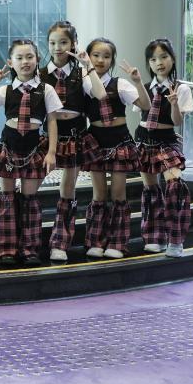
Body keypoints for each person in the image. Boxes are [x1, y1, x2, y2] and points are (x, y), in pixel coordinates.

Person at [0, 38, 62, 266]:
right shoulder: (5, 90)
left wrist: (51, 152)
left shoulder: (46, 89)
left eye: (29, 57)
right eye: (19, 58)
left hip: (34, 147)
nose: (25, 61)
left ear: (37, 59)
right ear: (11, 62)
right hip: (8, 146)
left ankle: (29, 249)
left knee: (30, 199)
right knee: (7, 197)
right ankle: (6, 249)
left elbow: (52, 121)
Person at [79, 38, 150, 259]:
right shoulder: (83, 83)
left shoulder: (120, 84)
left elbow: (146, 106)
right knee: (99, 194)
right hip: (95, 141)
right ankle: (95, 241)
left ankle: (118, 243)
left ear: (112, 60)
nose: (101, 60)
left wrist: (138, 81)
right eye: (96, 55)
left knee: (118, 194)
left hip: (119, 140)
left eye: (106, 56)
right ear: (88, 56)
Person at [41, 22, 104, 261]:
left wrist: (88, 65)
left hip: (76, 134)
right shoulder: (40, 73)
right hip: (46, 136)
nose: (57, 47)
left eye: (63, 42)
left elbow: (100, 94)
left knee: (67, 190)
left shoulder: (82, 73)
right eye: (52, 43)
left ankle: (60, 243)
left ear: (74, 44)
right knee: (28, 185)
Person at [136, 38, 193, 258]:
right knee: (151, 191)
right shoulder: (145, 88)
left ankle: (175, 240)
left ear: (172, 58)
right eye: (153, 59)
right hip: (144, 140)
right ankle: (154, 237)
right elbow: (141, 117)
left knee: (175, 186)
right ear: (149, 63)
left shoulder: (181, 88)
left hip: (167, 141)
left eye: (163, 57)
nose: (159, 63)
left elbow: (177, 121)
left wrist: (174, 104)